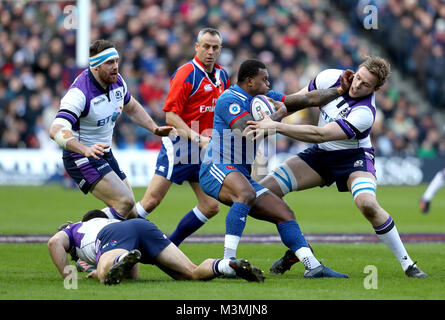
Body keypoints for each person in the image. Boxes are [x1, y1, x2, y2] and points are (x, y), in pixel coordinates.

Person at [246, 56, 427, 278]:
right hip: (321, 157)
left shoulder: (365, 112)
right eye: (358, 77)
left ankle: (408, 264)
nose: (358, 85)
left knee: (368, 204)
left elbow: (320, 134)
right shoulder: (329, 77)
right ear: (355, 70)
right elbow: (296, 102)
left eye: (366, 85)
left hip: (352, 159)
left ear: (376, 89)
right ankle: (302, 250)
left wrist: (275, 126)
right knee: (257, 197)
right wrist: (271, 118)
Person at [199, 59, 354, 278]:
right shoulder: (228, 99)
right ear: (250, 81)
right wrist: (280, 115)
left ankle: (313, 266)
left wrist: (340, 90)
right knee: (245, 193)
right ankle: (228, 262)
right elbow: (247, 130)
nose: (269, 84)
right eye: (265, 80)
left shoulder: (264, 99)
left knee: (284, 212)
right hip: (215, 167)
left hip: (238, 173)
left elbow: (307, 99)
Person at [49, 40, 174, 220]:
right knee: (125, 202)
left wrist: (153, 128)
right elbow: (55, 130)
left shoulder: (117, 82)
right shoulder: (79, 93)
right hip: (81, 156)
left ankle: (91, 235)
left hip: (104, 153)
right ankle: (76, 235)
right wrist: (85, 149)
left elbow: (131, 107)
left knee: (130, 212)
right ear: (96, 66)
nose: (115, 67)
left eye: (116, 61)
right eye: (109, 63)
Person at [135, 28, 230, 246]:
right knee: (150, 201)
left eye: (215, 47)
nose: (210, 51)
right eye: (206, 46)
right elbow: (170, 115)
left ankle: (170, 245)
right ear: (197, 47)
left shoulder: (222, 75)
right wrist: (197, 138)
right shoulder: (186, 73)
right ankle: (111, 238)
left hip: (203, 148)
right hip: (180, 146)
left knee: (210, 206)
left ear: (220, 50)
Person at [48, 209, 265, 285]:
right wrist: (122, 264)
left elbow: (54, 242)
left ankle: (116, 260)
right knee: (190, 273)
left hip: (113, 236)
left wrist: (70, 278)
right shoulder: (109, 222)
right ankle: (226, 265)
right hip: (141, 227)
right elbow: (132, 276)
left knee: (105, 277)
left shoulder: (75, 229)